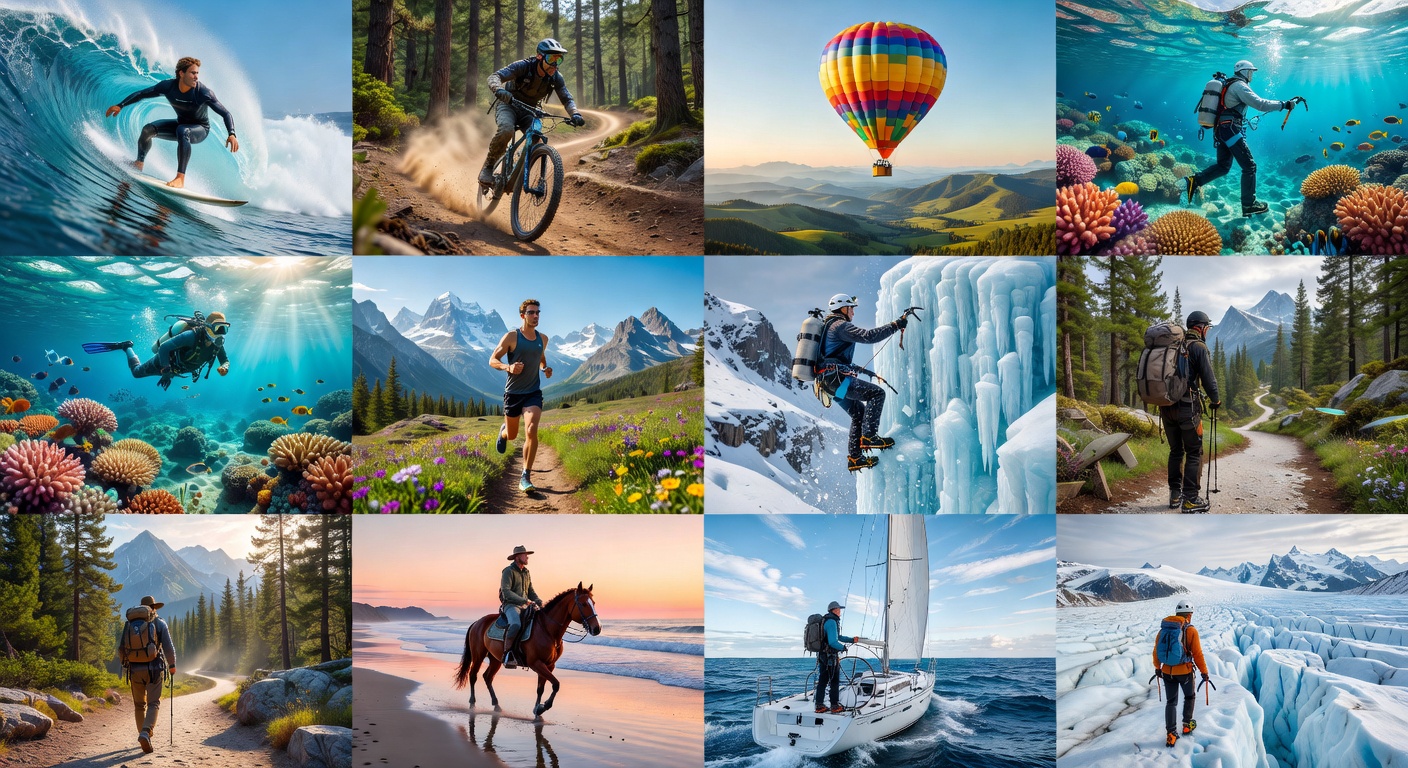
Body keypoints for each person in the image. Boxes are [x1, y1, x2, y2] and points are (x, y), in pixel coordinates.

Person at [1186, 60, 1305, 217]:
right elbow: (1260, 104)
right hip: (1230, 130)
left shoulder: (1230, 84)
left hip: (1222, 130)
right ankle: (1249, 205)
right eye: (1251, 72)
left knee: (1223, 166)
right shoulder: (1239, 85)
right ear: (1245, 71)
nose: (1252, 75)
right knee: (1250, 166)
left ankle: (1194, 181)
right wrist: (1284, 105)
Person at [104, 57, 239, 189]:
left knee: (183, 131)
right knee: (147, 130)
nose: (196, 77)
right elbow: (142, 94)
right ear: (181, 73)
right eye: (193, 73)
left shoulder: (203, 93)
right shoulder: (168, 87)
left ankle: (180, 178)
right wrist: (121, 105)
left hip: (200, 129)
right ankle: (139, 163)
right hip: (180, 123)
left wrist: (232, 134)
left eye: (197, 73)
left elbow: (226, 113)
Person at [816, 293, 907, 472]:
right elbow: (868, 336)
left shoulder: (829, 327)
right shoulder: (840, 325)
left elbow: (836, 360)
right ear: (843, 308)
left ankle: (855, 458)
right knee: (876, 393)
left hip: (830, 384)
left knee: (859, 414)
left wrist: (867, 372)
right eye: (851, 309)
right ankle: (869, 437)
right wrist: (895, 325)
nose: (853, 313)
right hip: (838, 381)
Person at [478, 39, 586, 186]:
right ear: (540, 57)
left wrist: (575, 114)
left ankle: (518, 164)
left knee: (536, 137)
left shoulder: (556, 77)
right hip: (508, 105)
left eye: (558, 59)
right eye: (551, 58)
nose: (555, 64)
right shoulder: (523, 66)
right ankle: (489, 167)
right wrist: (499, 90)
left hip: (529, 111)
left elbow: (567, 98)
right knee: (506, 130)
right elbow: (494, 77)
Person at [491, 300, 553, 492]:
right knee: (512, 436)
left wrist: (544, 368)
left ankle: (525, 476)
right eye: (531, 313)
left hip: (533, 393)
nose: (536, 316)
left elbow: (541, 356)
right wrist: (507, 367)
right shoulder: (511, 337)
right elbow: (493, 359)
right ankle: (503, 432)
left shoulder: (543, 338)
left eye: (538, 313)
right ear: (523, 315)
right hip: (513, 394)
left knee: (531, 430)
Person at [83, 311, 231, 391]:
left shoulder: (217, 344)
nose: (221, 334)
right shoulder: (190, 336)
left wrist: (225, 366)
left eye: (224, 329)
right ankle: (126, 346)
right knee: (136, 373)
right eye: (218, 328)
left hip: (176, 369)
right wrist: (166, 371)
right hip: (162, 362)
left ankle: (127, 347)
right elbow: (164, 348)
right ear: (207, 326)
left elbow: (225, 359)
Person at [1162, 311, 1220, 513]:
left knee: (1175, 450)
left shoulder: (1172, 346)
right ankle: (1190, 499)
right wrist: (1216, 400)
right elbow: (1209, 380)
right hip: (1188, 408)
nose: (1207, 331)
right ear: (1201, 328)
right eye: (1207, 328)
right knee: (1194, 452)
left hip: (1166, 407)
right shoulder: (1198, 347)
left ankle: (1175, 494)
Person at [118, 595, 177, 754]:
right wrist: (172, 665)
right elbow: (168, 647)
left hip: (135, 670)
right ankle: (146, 732)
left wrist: (126, 664)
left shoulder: (129, 625)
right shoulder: (159, 623)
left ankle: (142, 735)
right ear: (154, 607)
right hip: (154, 669)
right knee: (153, 703)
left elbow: (121, 648)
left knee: (139, 705)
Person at [1153, 600, 1208, 748]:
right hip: (1185, 672)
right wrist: (1204, 672)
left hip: (1166, 672)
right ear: (1189, 615)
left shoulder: (1164, 629)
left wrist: (1158, 668)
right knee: (1189, 697)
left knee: (1171, 702)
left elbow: (1156, 651)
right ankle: (1186, 725)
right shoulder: (1190, 630)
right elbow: (1197, 654)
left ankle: (1171, 734)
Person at [500, 545, 544, 667]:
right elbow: (506, 591)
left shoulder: (526, 572)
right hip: (511, 605)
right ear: (518, 557)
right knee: (516, 624)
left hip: (525, 606)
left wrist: (539, 601)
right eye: (525, 555)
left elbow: (531, 591)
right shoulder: (508, 571)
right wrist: (524, 601)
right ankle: (507, 654)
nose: (527, 557)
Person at [814, 601, 857, 714]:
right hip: (830, 657)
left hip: (822, 656)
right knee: (834, 681)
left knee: (823, 681)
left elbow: (839, 636)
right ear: (834, 610)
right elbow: (833, 641)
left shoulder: (827, 621)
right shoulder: (832, 622)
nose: (840, 611)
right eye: (838, 609)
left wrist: (852, 640)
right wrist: (843, 648)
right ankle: (834, 706)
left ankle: (819, 705)